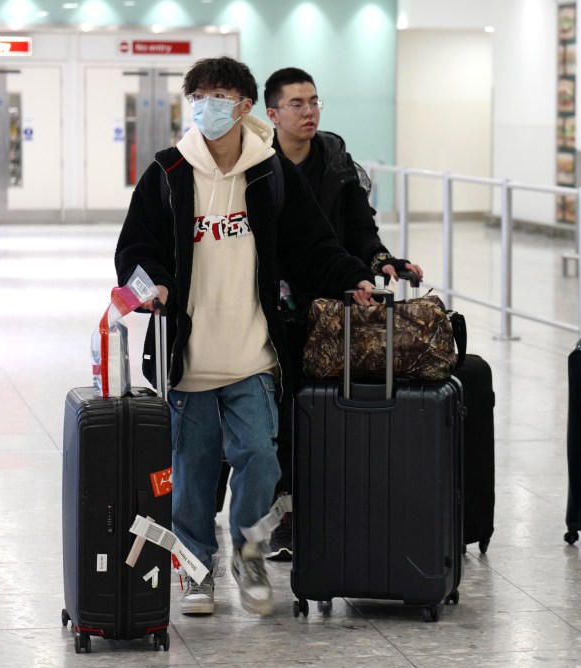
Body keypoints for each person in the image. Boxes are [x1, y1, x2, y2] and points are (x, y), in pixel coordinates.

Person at [114, 56, 376, 616]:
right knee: (192, 476)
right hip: (189, 359)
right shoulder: (167, 172)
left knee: (261, 458)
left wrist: (351, 275)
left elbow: (312, 245)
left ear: (244, 106)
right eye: (200, 97)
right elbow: (135, 251)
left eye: (220, 96)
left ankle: (250, 554)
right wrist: (154, 285)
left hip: (254, 352)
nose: (209, 106)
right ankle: (196, 572)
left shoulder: (270, 174)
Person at [261, 66, 424, 561]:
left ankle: (330, 505)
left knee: (329, 406)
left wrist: (381, 262)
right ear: (272, 114)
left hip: (334, 305)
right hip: (274, 307)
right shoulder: (257, 166)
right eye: (297, 104)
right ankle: (283, 516)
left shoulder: (334, 156)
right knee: (282, 411)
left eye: (314, 101)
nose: (309, 111)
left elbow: (361, 228)